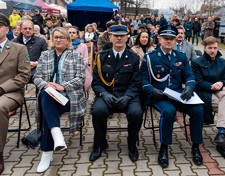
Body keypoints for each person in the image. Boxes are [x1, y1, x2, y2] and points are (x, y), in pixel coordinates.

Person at [140, 25, 204, 168]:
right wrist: (151, 89)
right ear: (159, 39)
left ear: (175, 40)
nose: (169, 41)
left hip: (178, 95)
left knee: (198, 110)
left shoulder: (180, 56)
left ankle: (195, 146)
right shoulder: (150, 57)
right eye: (165, 38)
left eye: (171, 39)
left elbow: (189, 75)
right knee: (169, 112)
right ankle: (164, 148)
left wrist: (189, 87)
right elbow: (143, 79)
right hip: (160, 96)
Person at [33, 27, 86, 173]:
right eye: (55, 37)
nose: (58, 40)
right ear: (51, 39)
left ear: (68, 40)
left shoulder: (76, 56)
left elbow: (81, 79)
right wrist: (46, 84)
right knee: (45, 95)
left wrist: (62, 86)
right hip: (49, 96)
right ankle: (56, 138)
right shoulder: (45, 55)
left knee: (46, 106)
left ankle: (47, 151)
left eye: (61, 37)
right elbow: (36, 77)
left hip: (69, 97)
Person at [90, 24, 143, 163]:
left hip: (127, 96)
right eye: (116, 36)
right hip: (107, 94)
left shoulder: (134, 58)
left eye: (122, 35)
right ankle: (99, 144)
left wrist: (128, 96)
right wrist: (103, 94)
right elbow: (95, 82)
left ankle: (132, 145)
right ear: (110, 37)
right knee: (97, 111)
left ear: (127, 37)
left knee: (136, 113)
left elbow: (136, 82)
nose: (119, 38)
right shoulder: (101, 57)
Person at [191, 36, 225, 161]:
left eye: (215, 48)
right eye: (210, 48)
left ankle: (221, 134)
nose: (212, 50)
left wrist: (222, 83)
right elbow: (198, 82)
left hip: (219, 90)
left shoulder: (222, 61)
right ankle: (222, 139)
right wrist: (212, 86)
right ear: (204, 48)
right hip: (205, 92)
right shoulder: (196, 62)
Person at [0, 13, 31, 175]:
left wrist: (2, 88)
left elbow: (24, 76)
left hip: (10, 93)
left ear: (7, 29)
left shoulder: (19, 49)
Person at [68, 26, 92, 92]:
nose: (71, 34)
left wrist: (77, 68)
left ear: (77, 35)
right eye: (69, 32)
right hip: (67, 69)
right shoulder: (65, 45)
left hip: (81, 69)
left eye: (73, 32)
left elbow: (86, 59)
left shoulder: (83, 46)